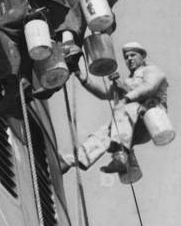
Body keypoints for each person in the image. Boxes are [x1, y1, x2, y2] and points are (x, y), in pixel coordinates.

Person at [61, 42, 170, 177]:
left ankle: (120, 156)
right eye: (126, 57)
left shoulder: (153, 70)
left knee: (124, 107)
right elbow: (104, 94)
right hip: (131, 126)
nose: (129, 59)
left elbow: (148, 88)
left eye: (133, 55)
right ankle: (70, 160)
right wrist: (80, 75)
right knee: (104, 133)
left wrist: (125, 94)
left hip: (152, 120)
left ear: (143, 56)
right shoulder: (128, 80)